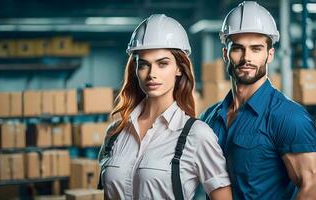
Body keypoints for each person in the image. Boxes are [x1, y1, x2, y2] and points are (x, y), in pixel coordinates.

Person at [98, 14, 232, 200]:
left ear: (179, 68)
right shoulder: (115, 133)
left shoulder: (197, 135)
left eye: (162, 64)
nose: (152, 74)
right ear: (135, 70)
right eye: (144, 65)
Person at [200, 1, 316, 199]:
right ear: (225, 54)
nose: (247, 58)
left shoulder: (289, 117)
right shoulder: (209, 117)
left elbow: (311, 185)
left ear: (269, 55)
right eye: (237, 48)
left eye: (256, 49)